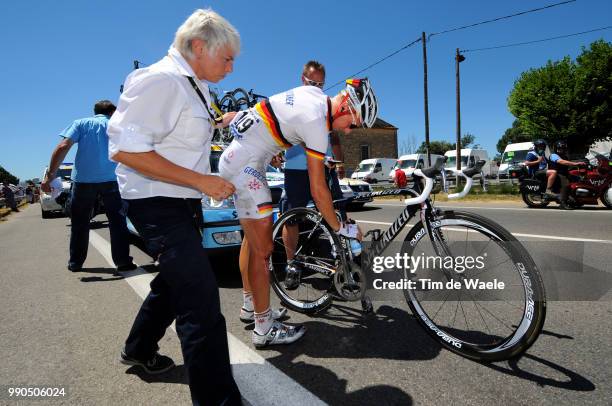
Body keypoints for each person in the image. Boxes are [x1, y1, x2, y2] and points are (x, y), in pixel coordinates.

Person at [107, 9, 242, 405]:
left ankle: (138, 348)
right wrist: (203, 181)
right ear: (199, 47)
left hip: (181, 201)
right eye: (228, 58)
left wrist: (220, 123)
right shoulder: (160, 80)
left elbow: (178, 132)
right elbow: (125, 150)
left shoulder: (194, 85)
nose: (231, 68)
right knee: (201, 305)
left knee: (172, 283)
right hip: (156, 203)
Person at [219, 77, 378, 347]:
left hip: (241, 159)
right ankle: (263, 326)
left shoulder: (313, 95)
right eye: (353, 123)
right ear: (346, 107)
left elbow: (281, 115)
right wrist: (340, 228)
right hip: (246, 166)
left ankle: (250, 305)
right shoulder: (317, 123)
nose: (349, 131)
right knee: (264, 249)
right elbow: (318, 190)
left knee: (251, 241)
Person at [40, 100, 135, 272]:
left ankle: (76, 263)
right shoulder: (117, 125)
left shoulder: (81, 123)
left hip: (84, 181)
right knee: (117, 221)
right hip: (112, 180)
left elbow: (63, 146)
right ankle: (123, 262)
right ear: (112, 112)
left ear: (95, 112)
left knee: (80, 223)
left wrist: (49, 176)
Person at [547, 140, 586, 209]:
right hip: (558, 174)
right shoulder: (553, 155)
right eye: (559, 148)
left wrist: (581, 164)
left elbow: (568, 163)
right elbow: (561, 162)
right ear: (556, 148)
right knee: (566, 184)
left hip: (564, 173)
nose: (561, 150)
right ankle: (562, 203)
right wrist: (575, 164)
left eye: (563, 148)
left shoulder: (565, 156)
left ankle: (576, 198)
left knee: (579, 179)